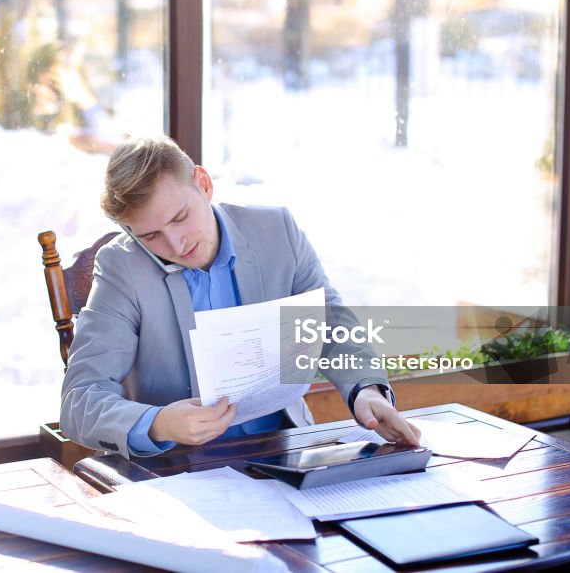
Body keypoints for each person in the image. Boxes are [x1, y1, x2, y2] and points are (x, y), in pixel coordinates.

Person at [60, 136, 419, 458]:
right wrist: (157, 424)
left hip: (289, 447)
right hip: (180, 467)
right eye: (150, 236)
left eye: (180, 217)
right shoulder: (122, 268)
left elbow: (330, 324)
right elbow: (80, 401)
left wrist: (367, 391)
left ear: (203, 184)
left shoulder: (277, 230)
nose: (175, 244)